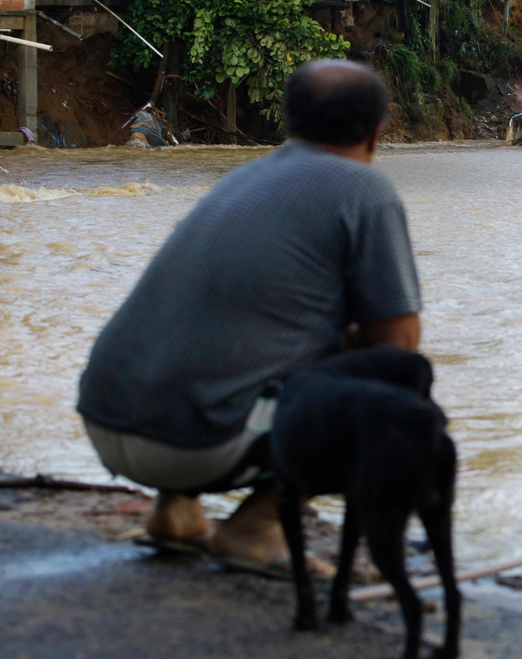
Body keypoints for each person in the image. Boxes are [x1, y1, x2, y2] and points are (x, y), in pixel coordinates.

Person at [77, 60, 421, 576]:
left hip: (105, 424)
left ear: (289, 123)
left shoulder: (245, 178)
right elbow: (398, 346)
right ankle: (255, 529)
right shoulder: (364, 191)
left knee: (250, 342)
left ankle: (175, 511)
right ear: (376, 134)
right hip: (193, 446)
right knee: (397, 386)